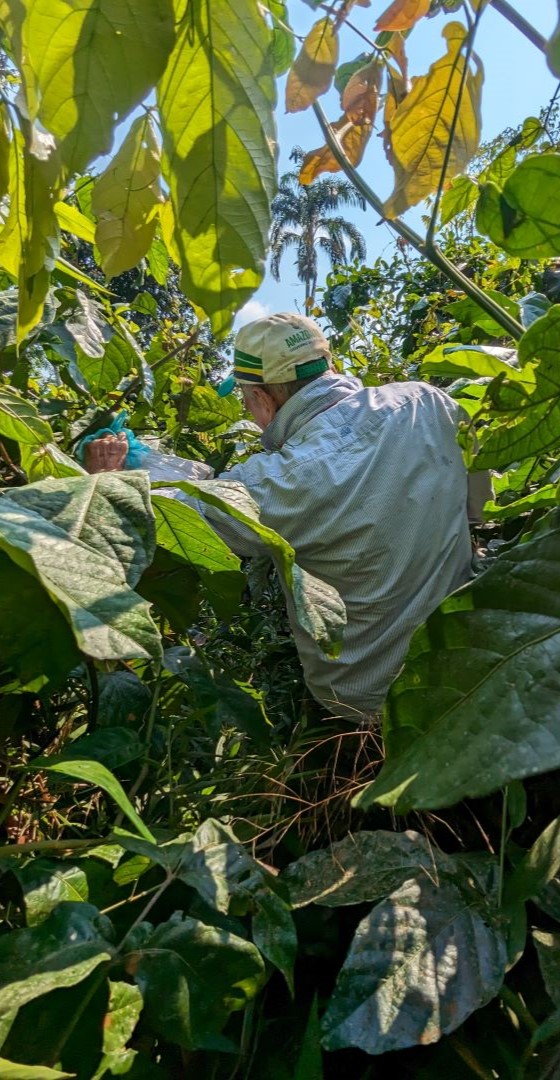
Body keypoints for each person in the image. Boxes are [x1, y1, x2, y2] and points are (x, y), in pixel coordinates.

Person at [86, 312, 489, 722]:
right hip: (473, 660)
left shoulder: (277, 483)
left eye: (246, 401)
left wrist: (109, 480)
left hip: (363, 698)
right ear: (329, 366)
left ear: (262, 398)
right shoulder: (428, 403)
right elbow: (477, 508)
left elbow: (177, 510)